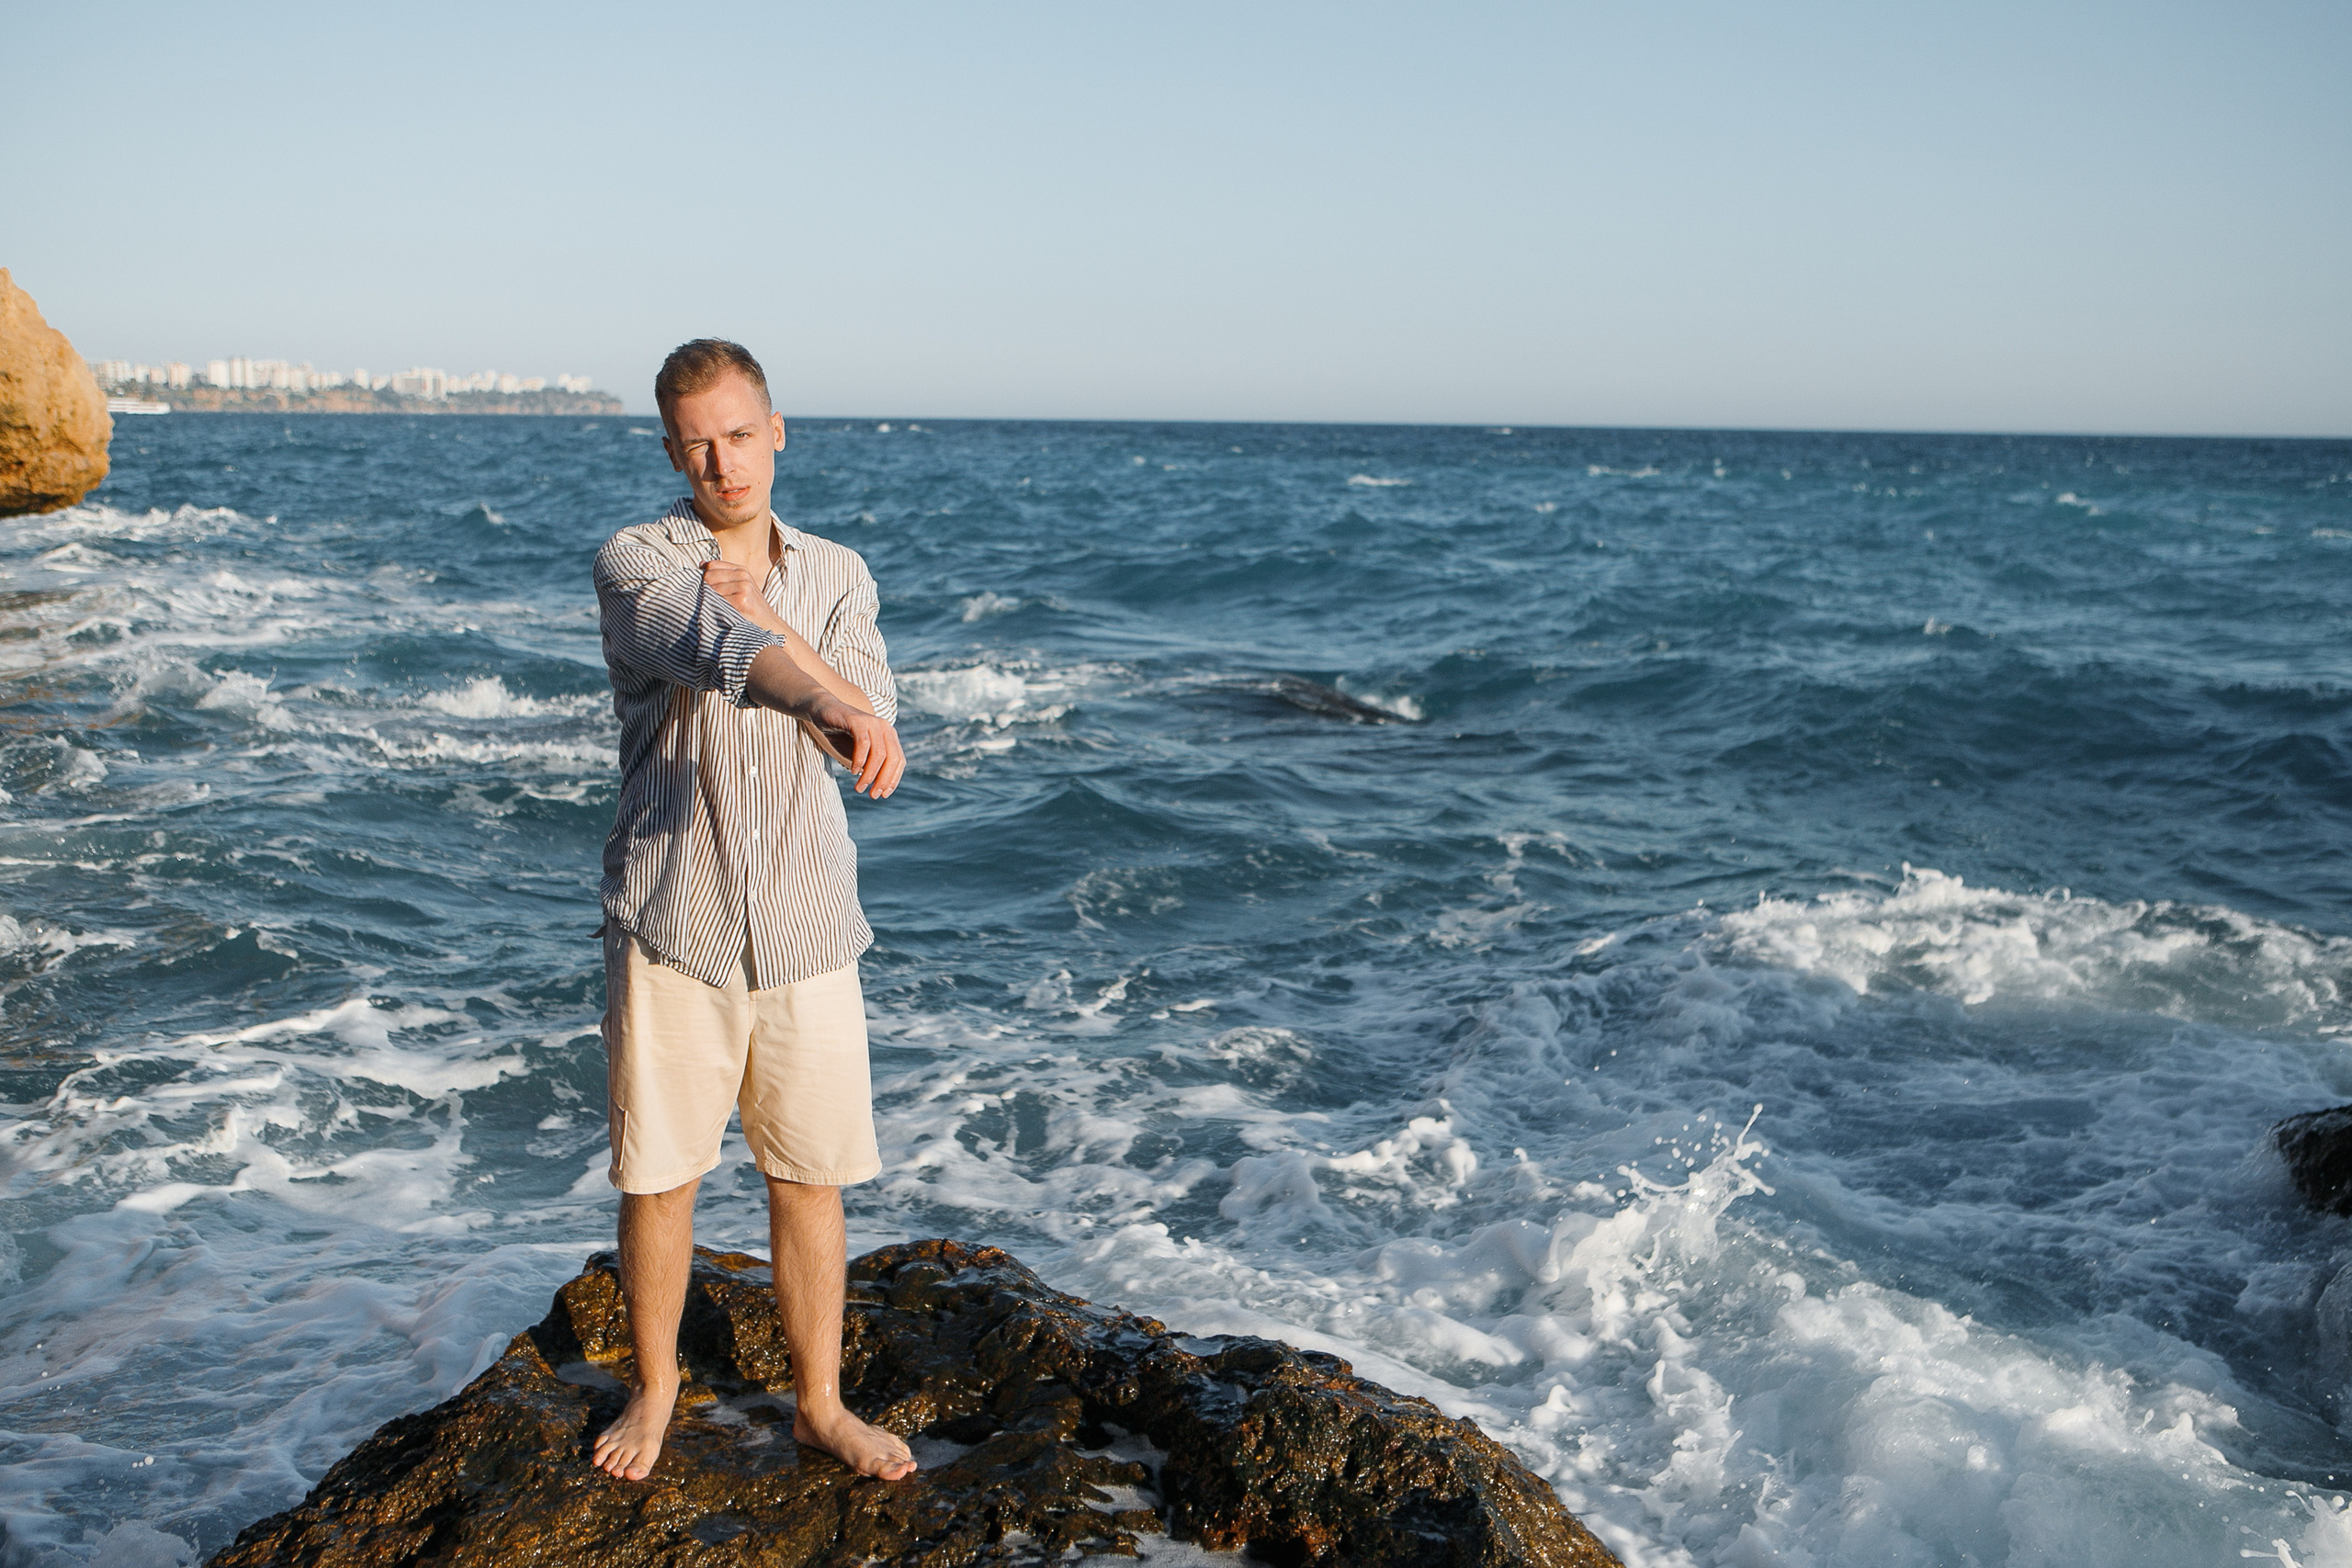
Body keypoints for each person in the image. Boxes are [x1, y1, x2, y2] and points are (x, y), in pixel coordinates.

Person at [586, 338, 913, 1483]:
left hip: (809, 919)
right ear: (673, 450)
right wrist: (770, 640)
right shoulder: (639, 560)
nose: (723, 462)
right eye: (697, 442)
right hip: (676, 912)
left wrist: (784, 620)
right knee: (661, 1174)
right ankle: (660, 1386)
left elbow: (861, 711)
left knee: (808, 1173)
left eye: (740, 433)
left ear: (777, 431)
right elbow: (722, 654)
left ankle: (821, 1402)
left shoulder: (838, 571)